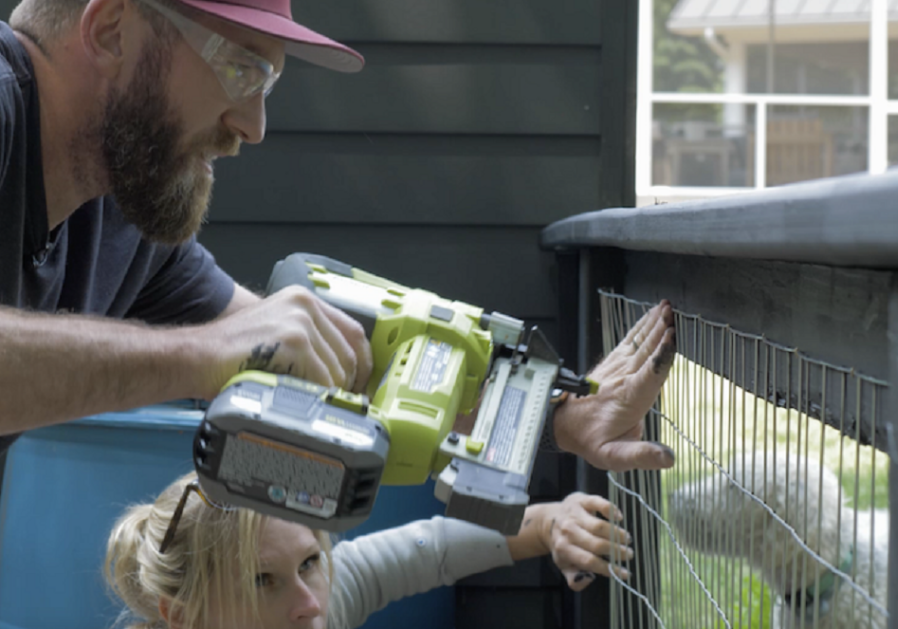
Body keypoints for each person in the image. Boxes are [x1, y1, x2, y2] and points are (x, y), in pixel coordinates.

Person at [0, 0, 677, 473]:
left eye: (270, 81)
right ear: (114, 30)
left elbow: (323, 357)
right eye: (240, 68)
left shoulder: (122, 225)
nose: (254, 125)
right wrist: (203, 353)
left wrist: (557, 416)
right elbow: (225, 348)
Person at [105, 472, 636, 629]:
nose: (311, 604)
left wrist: (550, 525)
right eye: (261, 580)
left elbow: (432, 549)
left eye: (311, 561)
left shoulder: (316, 606)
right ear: (184, 619)